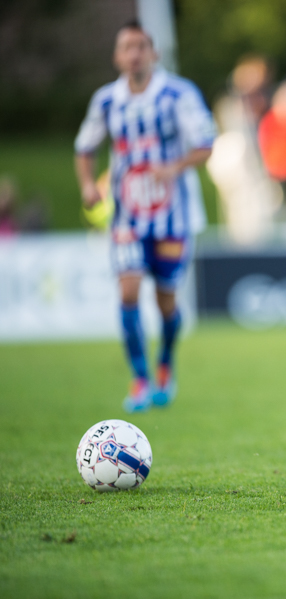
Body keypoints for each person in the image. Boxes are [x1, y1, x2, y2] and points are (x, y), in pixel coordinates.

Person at [75, 21, 217, 412]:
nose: (134, 53)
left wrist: (174, 166)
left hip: (173, 216)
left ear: (153, 53)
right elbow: (84, 147)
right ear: (117, 56)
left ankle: (165, 364)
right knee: (128, 292)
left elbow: (205, 144)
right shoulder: (106, 100)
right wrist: (88, 185)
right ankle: (139, 378)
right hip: (127, 216)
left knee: (167, 302)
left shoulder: (178, 94)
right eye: (127, 47)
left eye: (141, 46)